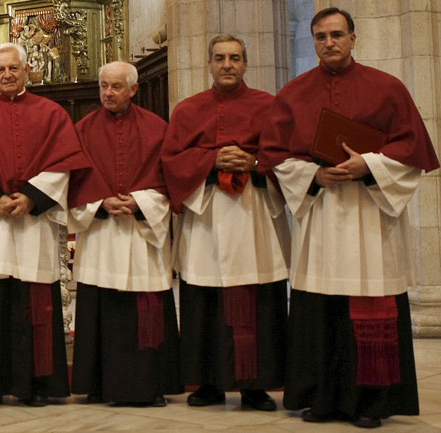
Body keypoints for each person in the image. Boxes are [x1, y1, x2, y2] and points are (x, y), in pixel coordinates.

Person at [258, 7, 438, 428]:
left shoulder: (388, 88)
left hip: (369, 216)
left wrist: (369, 165)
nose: (329, 43)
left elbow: (412, 150)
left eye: (337, 34)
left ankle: (372, 402)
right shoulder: (293, 93)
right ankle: (322, 399)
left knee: (370, 305)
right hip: (322, 215)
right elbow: (274, 156)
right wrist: (313, 175)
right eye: (320, 36)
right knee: (320, 311)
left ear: (353, 39)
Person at [0, 42, 87, 407]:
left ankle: (35, 385)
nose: (7, 75)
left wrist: (32, 197)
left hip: (32, 223)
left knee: (33, 304)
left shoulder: (52, 113)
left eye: (13, 68)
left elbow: (64, 163)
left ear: (27, 71)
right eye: (0, 69)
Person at [161, 34, 289, 411]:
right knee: (204, 298)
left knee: (257, 297)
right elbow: (170, 162)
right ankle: (208, 383)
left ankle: (255, 386)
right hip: (207, 214)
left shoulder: (269, 106)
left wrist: (254, 162)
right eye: (219, 58)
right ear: (209, 64)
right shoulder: (188, 110)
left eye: (234, 58)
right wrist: (210, 161)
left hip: (253, 213)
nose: (227, 64)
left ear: (246, 63)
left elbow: (287, 156)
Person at [68, 61, 180, 407]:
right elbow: (72, 181)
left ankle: (150, 385)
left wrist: (140, 201)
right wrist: (100, 202)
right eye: (104, 86)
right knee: (100, 307)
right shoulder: (82, 130)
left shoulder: (158, 128)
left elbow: (170, 179)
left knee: (144, 309)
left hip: (140, 233)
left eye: (116, 86)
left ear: (134, 89)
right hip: (100, 233)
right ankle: (98, 384)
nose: (108, 93)